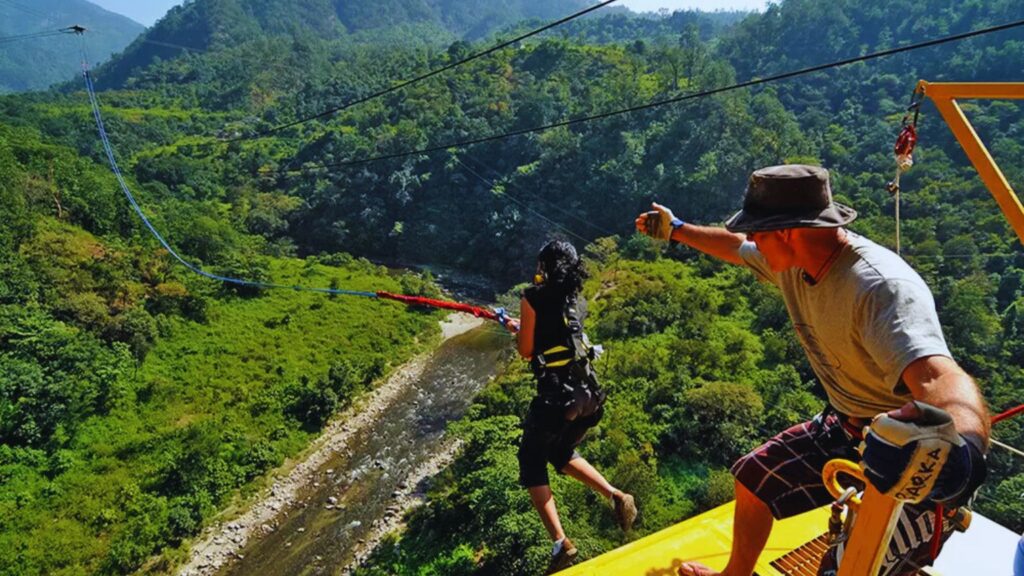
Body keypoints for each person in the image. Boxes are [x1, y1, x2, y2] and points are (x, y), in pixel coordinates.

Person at [634, 165, 990, 576]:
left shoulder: (879, 288)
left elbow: (940, 379)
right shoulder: (794, 260)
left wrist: (958, 459)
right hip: (847, 425)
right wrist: (677, 229)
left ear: (786, 231)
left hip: (909, 463)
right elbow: (734, 248)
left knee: (845, 569)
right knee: (754, 479)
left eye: (758, 232)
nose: (753, 241)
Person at [504, 239, 638, 574]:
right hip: (589, 396)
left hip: (558, 398)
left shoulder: (531, 297)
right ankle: (616, 495)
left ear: (544, 267)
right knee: (559, 452)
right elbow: (559, 336)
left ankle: (561, 543)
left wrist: (517, 330)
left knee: (531, 461)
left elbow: (526, 350)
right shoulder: (576, 300)